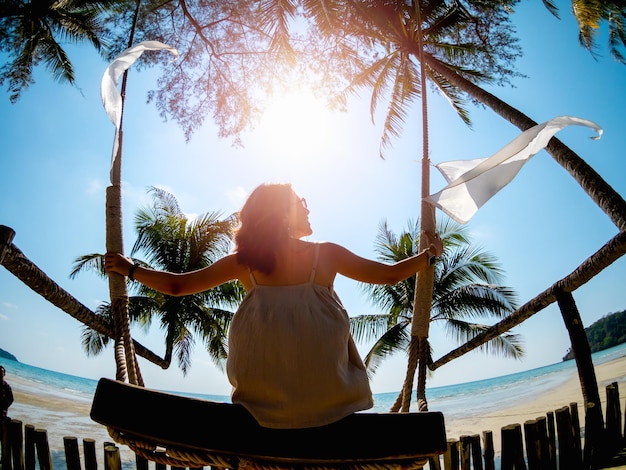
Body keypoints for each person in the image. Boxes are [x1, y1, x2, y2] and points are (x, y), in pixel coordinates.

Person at [105, 183, 443, 429]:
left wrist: (129, 268)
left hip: (260, 412)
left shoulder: (245, 264)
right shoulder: (325, 255)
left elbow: (178, 286)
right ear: (283, 213)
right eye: (301, 201)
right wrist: (428, 256)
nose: (308, 207)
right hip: (333, 408)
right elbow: (388, 276)